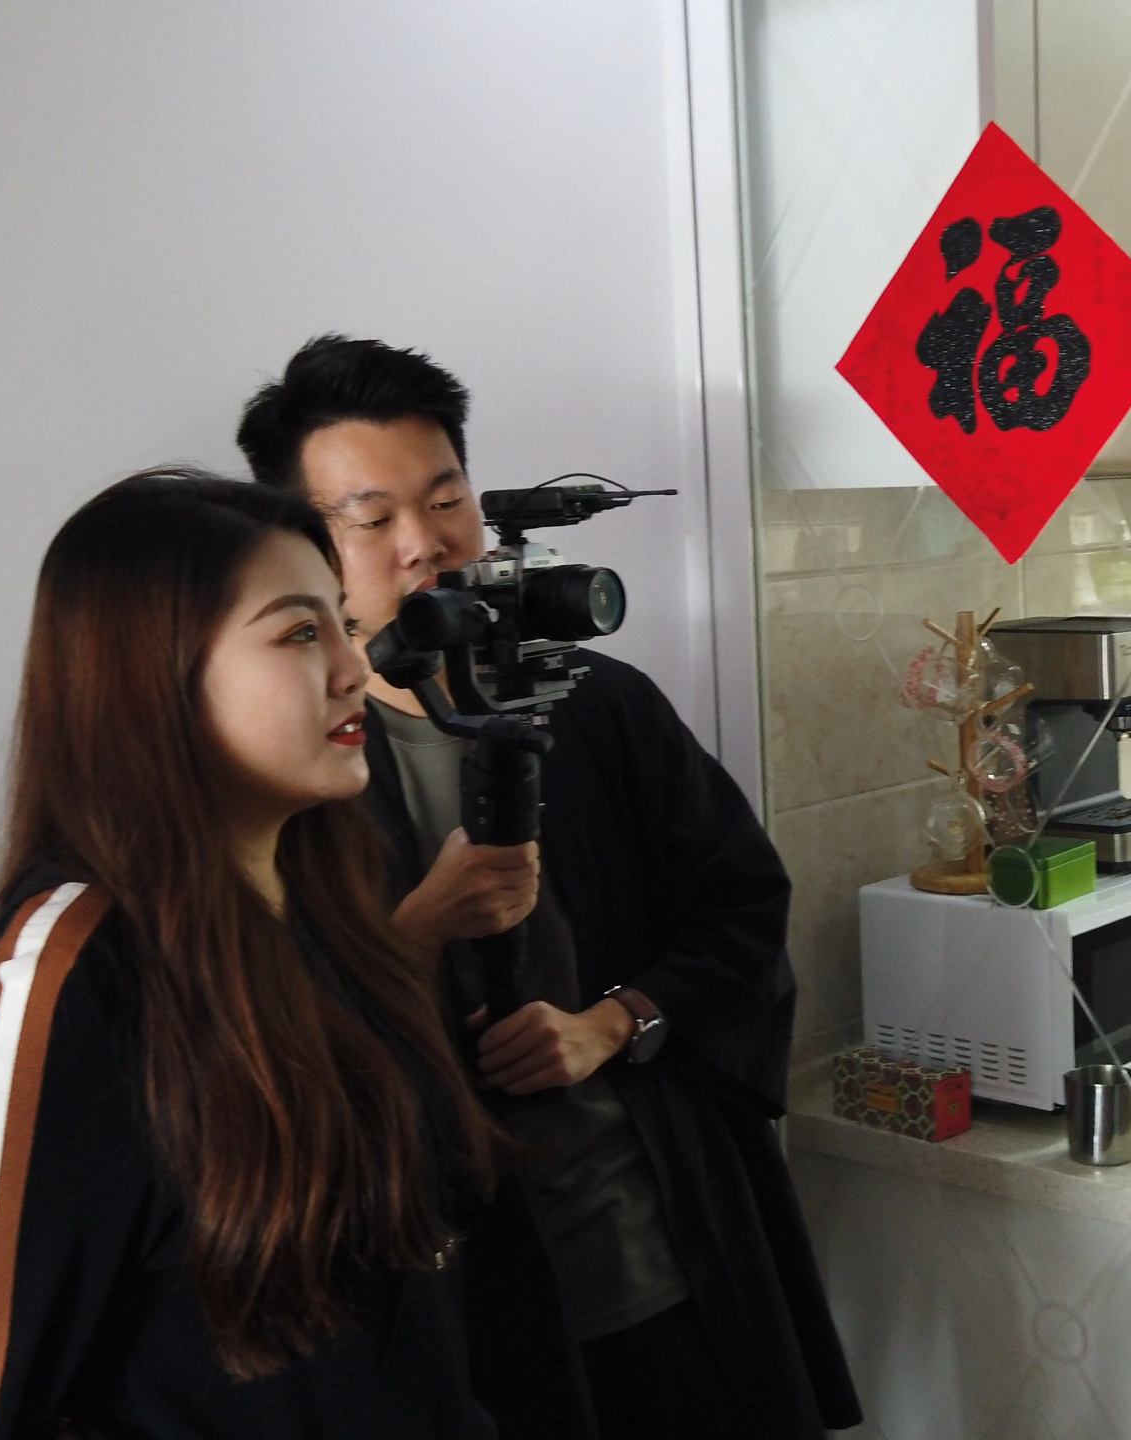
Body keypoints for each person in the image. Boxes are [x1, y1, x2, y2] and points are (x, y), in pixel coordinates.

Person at [237, 336, 861, 1440]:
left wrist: (615, 1023)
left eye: (447, 501)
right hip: (455, 1308)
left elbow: (742, 908)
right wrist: (420, 926)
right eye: (372, 519)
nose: (426, 544)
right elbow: (265, 1053)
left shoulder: (593, 704)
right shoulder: (292, 771)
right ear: (305, 546)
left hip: (658, 1255)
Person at [0, 471, 593, 1440]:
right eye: (300, 633)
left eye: (343, 624)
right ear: (153, 677)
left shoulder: (334, 904)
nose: (354, 668)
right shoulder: (64, 977)